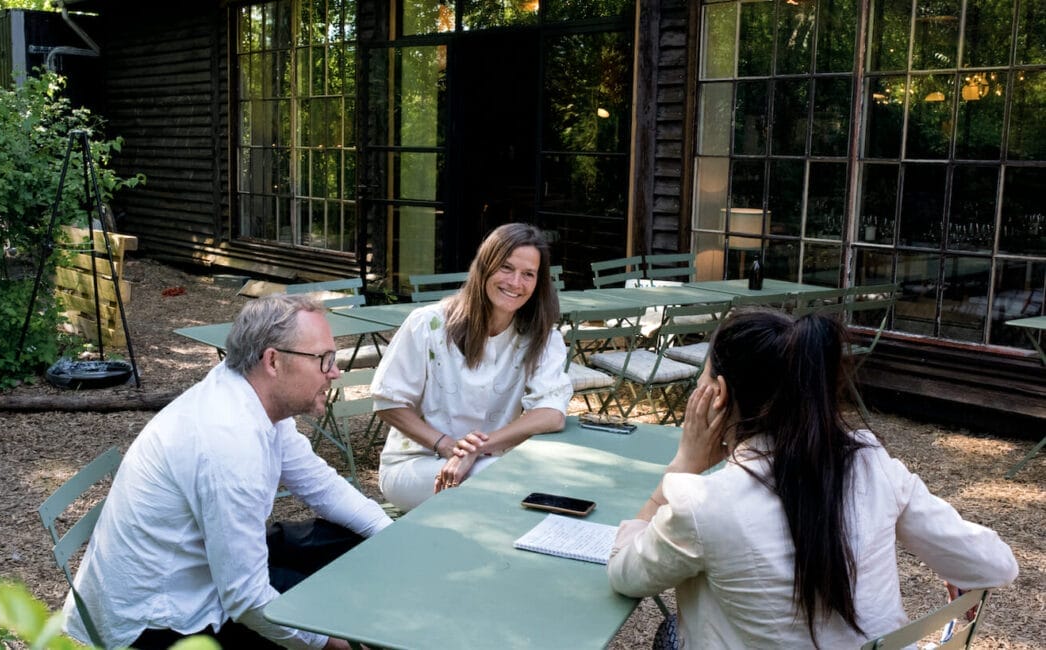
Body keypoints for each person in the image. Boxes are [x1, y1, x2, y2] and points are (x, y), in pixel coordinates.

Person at [607, 308, 1019, 648]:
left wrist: (681, 467)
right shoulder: (871, 463)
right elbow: (995, 565)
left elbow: (625, 573)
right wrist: (958, 566)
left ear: (718, 395)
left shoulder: (703, 503)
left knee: (670, 635)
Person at [63, 294, 392, 649]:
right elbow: (246, 599)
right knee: (316, 613)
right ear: (273, 361)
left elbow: (321, 484)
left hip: (201, 574)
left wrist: (392, 537)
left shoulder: (250, 395)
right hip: (161, 622)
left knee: (350, 542)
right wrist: (325, 643)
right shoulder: (230, 441)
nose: (334, 371)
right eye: (324, 359)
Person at [372, 223, 573, 512]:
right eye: (506, 268)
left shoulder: (541, 337)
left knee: (535, 480)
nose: (516, 282)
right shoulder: (428, 324)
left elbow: (552, 414)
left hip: (490, 461)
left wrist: (478, 447)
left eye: (528, 274)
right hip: (416, 464)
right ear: (484, 267)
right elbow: (387, 402)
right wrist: (446, 445)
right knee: (511, 487)